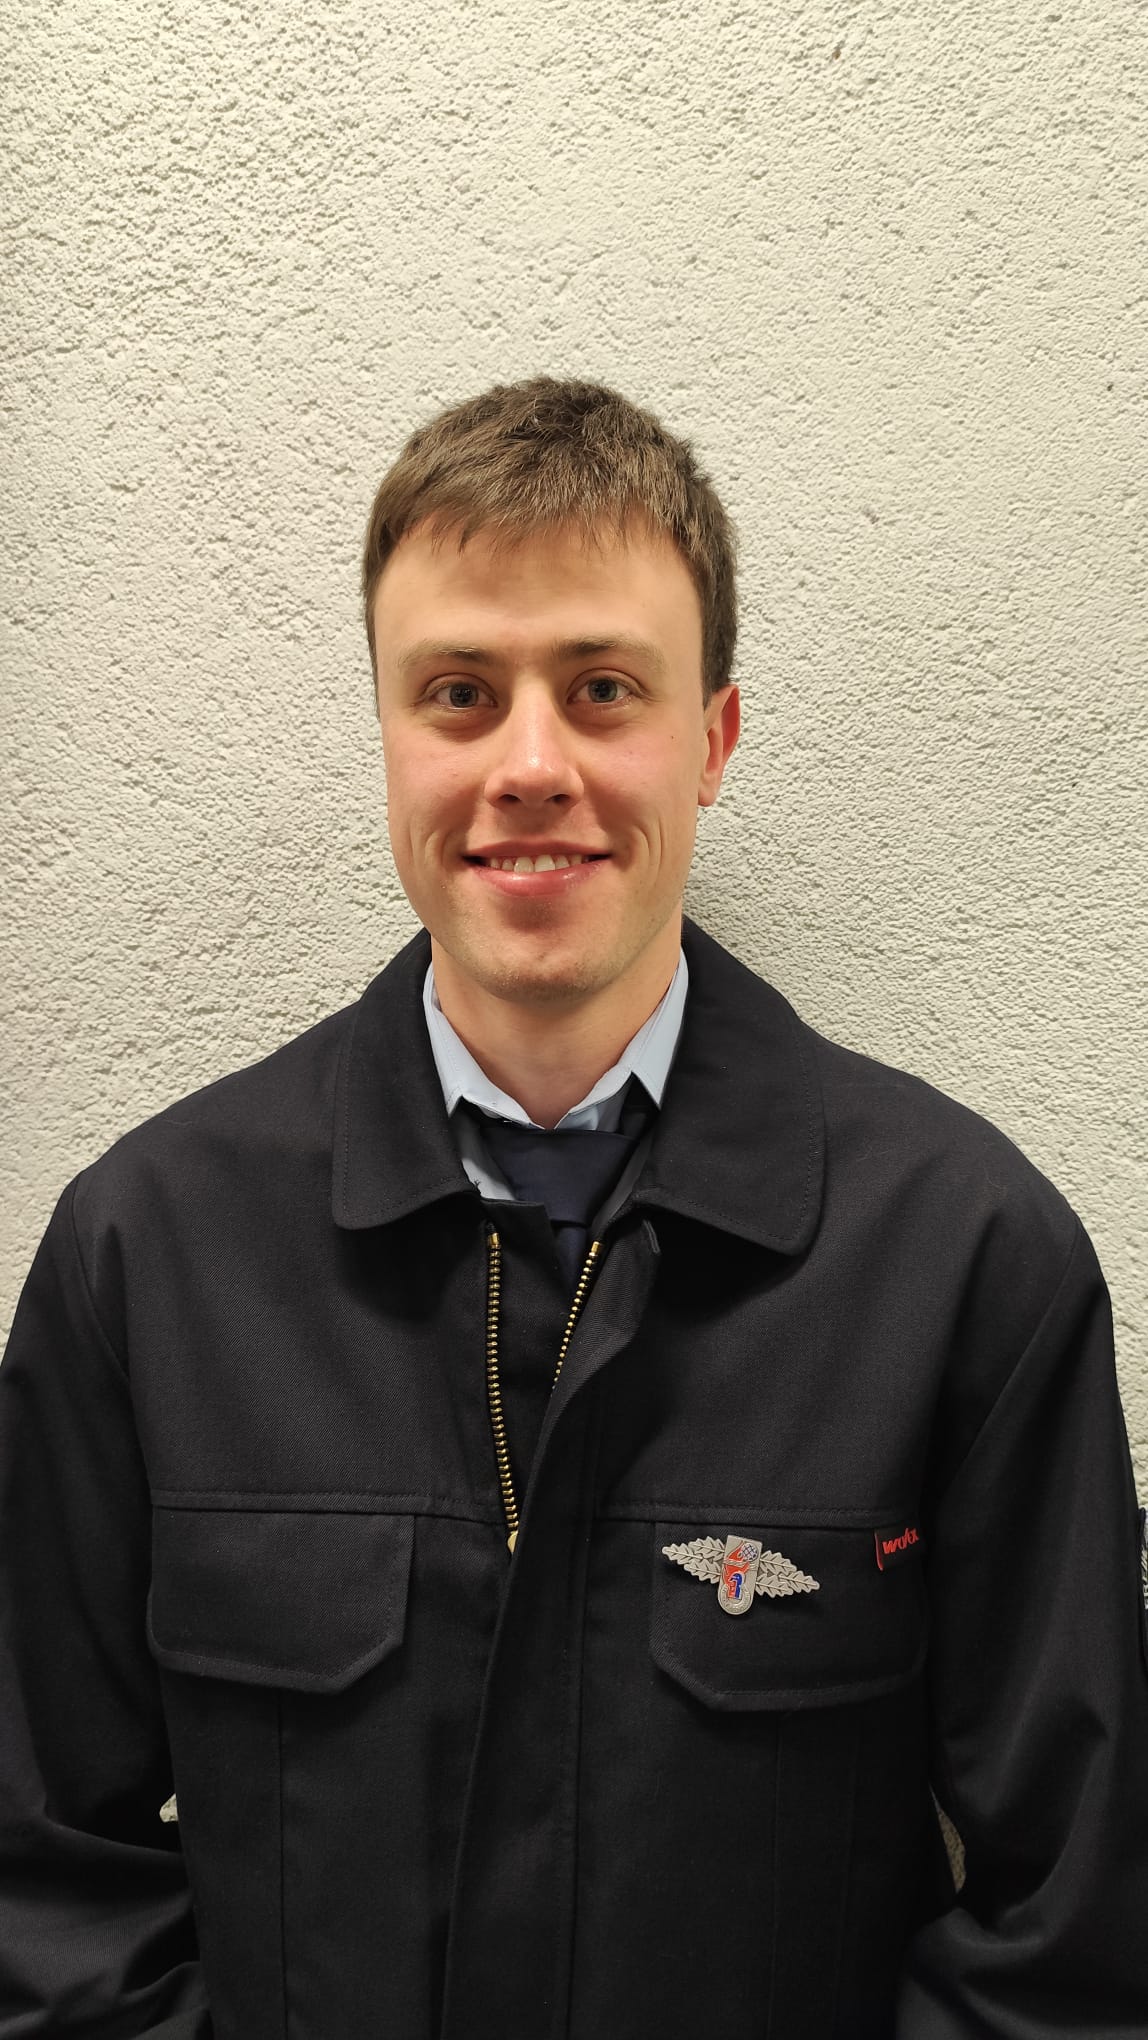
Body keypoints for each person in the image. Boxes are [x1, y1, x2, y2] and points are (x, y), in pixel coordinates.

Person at [1, 375, 1145, 2040]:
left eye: (604, 689)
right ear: (388, 736)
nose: (531, 767)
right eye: (460, 693)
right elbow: (40, 1894)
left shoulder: (965, 1263)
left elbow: (1075, 1938)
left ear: (713, 739)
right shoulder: (148, 1257)